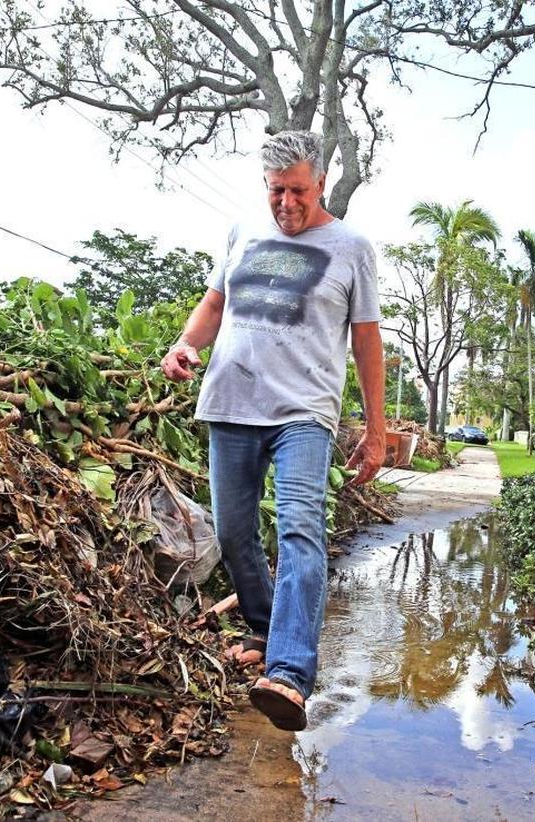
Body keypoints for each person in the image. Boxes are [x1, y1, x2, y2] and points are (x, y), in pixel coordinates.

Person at [160, 131, 385, 731]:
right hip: (231, 403)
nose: (287, 203)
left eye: (299, 191)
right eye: (276, 191)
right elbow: (214, 305)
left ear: (321, 182)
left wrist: (376, 429)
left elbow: (366, 340)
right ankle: (263, 629)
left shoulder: (351, 247)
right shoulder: (241, 234)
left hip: (305, 414)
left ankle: (288, 673)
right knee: (234, 533)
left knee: (299, 529)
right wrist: (185, 344)